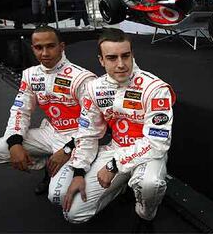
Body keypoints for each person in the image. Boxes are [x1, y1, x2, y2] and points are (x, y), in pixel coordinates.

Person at [59, 28, 176, 226]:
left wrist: (115, 165)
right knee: (73, 213)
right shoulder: (94, 88)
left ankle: (145, 213)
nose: (121, 64)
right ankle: (120, 187)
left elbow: (157, 143)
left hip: (148, 152)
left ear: (132, 55)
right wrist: (79, 171)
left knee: (150, 185)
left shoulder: (155, 88)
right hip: (115, 148)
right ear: (101, 60)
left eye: (125, 56)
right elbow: (88, 133)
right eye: (112, 58)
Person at [0, 26, 96, 196]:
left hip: (77, 138)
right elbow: (20, 110)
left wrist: (67, 150)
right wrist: (15, 142)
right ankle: (47, 163)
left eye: (50, 46)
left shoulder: (82, 78)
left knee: (57, 196)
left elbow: (94, 124)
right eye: (39, 48)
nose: (45, 53)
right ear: (33, 49)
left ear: (62, 46)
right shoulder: (30, 75)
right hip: (51, 132)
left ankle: (85, 169)